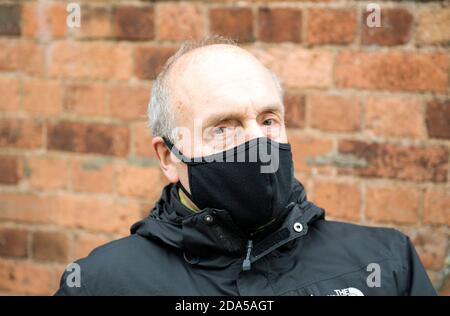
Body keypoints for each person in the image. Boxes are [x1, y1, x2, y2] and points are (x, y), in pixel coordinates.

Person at [55, 36, 436, 296]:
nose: (258, 143)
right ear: (169, 156)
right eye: (224, 127)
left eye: (269, 121)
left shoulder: (385, 262)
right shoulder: (101, 283)